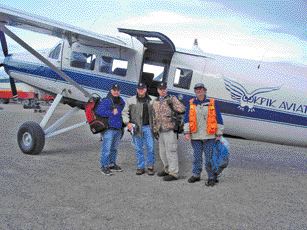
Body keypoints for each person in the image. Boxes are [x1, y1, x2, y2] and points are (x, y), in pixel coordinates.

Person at [184, 83, 224, 186]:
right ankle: (196, 175)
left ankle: (211, 177)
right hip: (195, 136)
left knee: (209, 158)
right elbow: (187, 118)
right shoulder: (191, 103)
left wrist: (219, 133)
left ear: (205, 90)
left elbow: (218, 118)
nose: (199, 91)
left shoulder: (212, 103)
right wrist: (187, 132)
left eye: (200, 89)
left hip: (209, 136)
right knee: (197, 157)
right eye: (196, 89)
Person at [152, 82, 185, 181]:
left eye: (164, 89)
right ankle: (166, 169)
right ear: (158, 90)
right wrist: (154, 129)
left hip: (170, 129)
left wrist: (175, 106)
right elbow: (154, 117)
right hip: (160, 130)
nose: (163, 90)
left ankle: (174, 173)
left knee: (171, 151)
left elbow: (182, 109)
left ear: (167, 89)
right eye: (161, 89)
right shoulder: (155, 101)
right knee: (162, 152)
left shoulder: (172, 99)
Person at [122, 83, 156, 175]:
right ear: (137, 90)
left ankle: (150, 166)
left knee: (151, 148)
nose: (141, 90)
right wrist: (127, 123)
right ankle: (140, 167)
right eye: (139, 89)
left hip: (148, 127)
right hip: (136, 128)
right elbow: (124, 113)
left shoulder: (153, 100)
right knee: (138, 148)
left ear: (146, 89)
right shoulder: (130, 100)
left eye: (143, 88)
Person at [95, 84, 125, 176]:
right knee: (106, 149)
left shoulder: (121, 101)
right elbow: (98, 111)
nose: (116, 92)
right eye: (114, 90)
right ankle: (104, 166)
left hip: (118, 129)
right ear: (111, 90)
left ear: (120, 91)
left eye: (118, 90)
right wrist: (111, 112)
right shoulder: (106, 100)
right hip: (109, 129)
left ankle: (112, 164)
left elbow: (123, 113)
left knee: (114, 149)